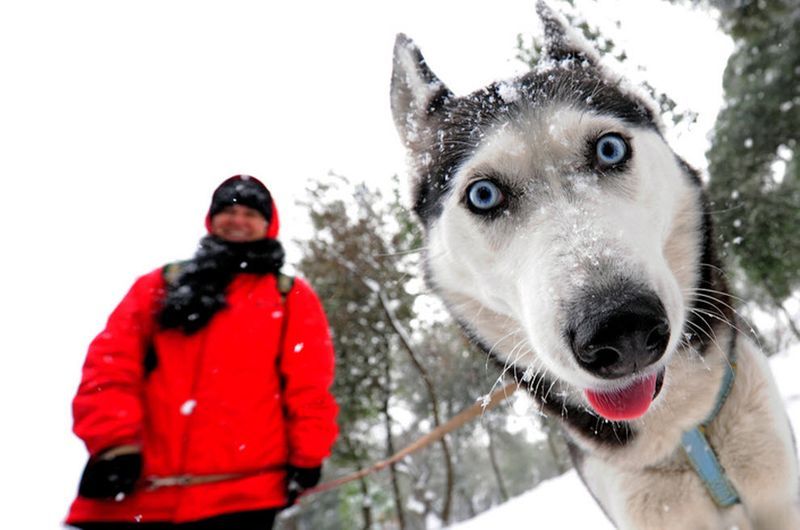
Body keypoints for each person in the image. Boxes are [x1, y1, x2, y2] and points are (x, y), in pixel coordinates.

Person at [65, 175, 339, 529]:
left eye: (250, 213)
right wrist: (115, 445)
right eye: (229, 210)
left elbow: (309, 388)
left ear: (269, 225)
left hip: (242, 498)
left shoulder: (290, 297)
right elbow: (109, 367)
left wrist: (307, 457)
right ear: (212, 219)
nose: (238, 220)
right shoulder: (160, 285)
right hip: (133, 493)